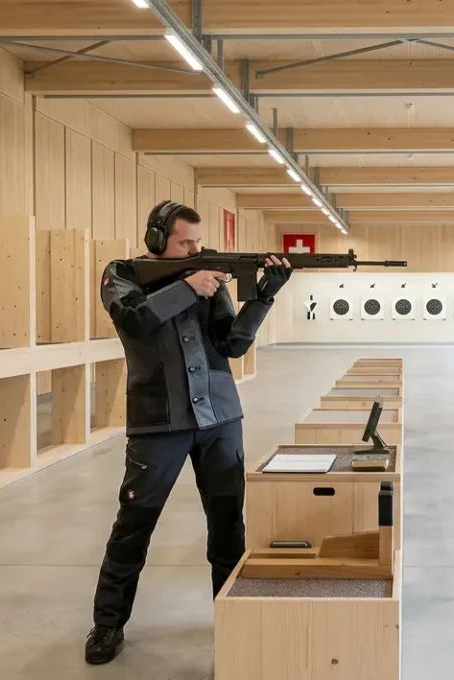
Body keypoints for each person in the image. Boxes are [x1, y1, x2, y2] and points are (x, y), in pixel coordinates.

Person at [85, 200, 292, 665]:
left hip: (219, 419)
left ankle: (232, 616)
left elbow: (232, 344)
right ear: (157, 240)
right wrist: (186, 287)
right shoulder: (122, 273)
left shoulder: (207, 276)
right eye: (184, 242)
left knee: (227, 525)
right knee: (134, 525)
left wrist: (262, 298)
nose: (195, 250)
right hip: (159, 422)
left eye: (198, 242)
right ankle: (107, 625)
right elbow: (133, 319)